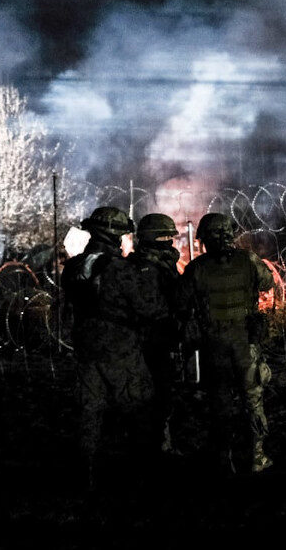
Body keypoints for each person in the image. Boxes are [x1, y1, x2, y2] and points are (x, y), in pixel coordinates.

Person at [62, 206, 152, 487]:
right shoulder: (122, 269)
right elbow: (149, 308)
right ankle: (136, 475)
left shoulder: (74, 266)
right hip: (121, 348)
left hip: (86, 347)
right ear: (115, 235)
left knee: (89, 411)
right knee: (135, 408)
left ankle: (85, 473)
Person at [183, 212, 275, 474]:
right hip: (245, 343)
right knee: (253, 400)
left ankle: (224, 457)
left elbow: (182, 301)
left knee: (220, 403)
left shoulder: (196, 268)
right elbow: (267, 282)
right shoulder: (248, 260)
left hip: (214, 345)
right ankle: (257, 456)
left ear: (204, 239)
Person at [107, 213, 189, 455]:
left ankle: (154, 443)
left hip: (156, 341)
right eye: (165, 238)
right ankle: (148, 448)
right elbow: (150, 307)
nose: (170, 243)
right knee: (149, 397)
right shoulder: (145, 268)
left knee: (159, 396)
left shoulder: (159, 265)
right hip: (146, 342)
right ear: (154, 239)